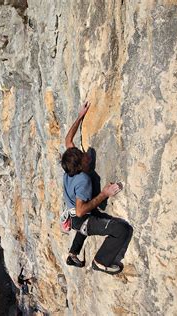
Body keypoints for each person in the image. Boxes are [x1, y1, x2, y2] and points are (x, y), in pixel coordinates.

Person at [61, 101, 133, 274]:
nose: (87, 155)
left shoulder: (71, 164)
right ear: (81, 166)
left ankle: (73, 253)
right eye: (85, 157)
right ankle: (101, 262)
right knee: (122, 229)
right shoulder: (83, 180)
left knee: (84, 221)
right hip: (82, 218)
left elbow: (68, 140)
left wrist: (80, 116)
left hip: (74, 217)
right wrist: (104, 193)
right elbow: (80, 211)